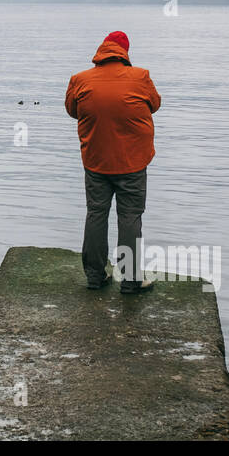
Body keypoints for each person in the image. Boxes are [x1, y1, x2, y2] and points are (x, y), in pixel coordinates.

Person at [64, 30, 161, 293]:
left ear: (101, 51)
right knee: (130, 217)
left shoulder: (80, 80)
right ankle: (130, 281)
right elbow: (155, 104)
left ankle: (95, 277)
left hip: (96, 161)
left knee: (96, 213)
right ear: (125, 53)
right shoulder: (140, 77)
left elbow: (72, 111)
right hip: (132, 162)